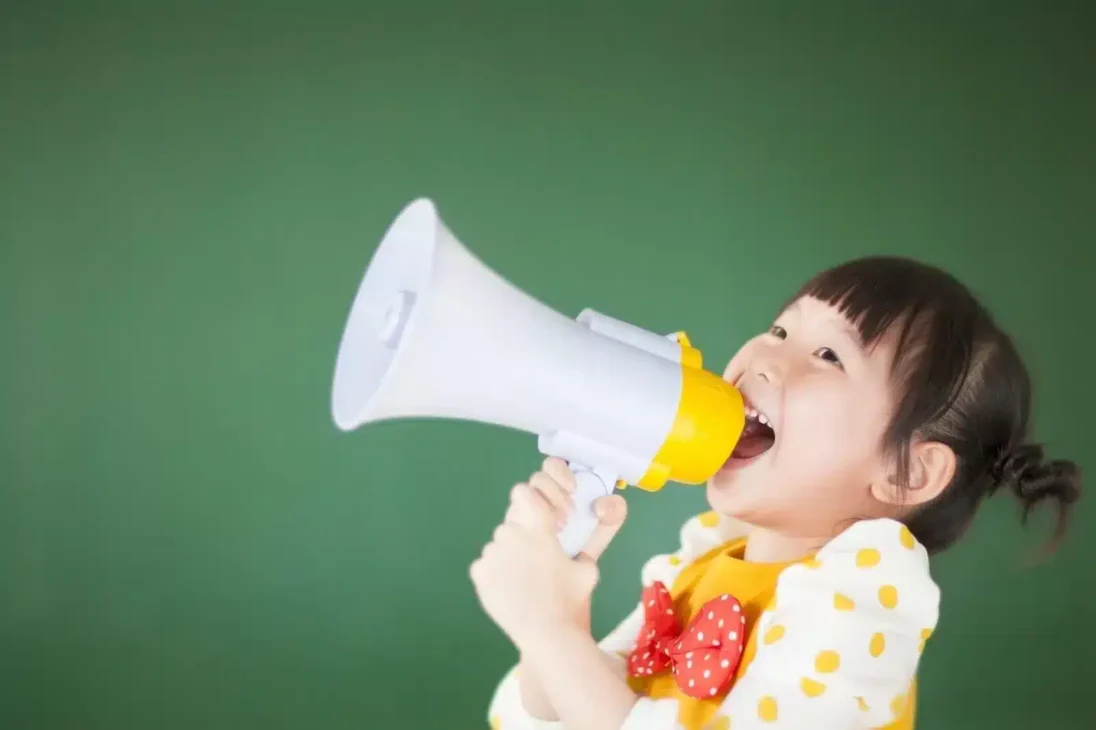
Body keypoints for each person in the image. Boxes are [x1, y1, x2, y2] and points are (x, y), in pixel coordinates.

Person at [469, 256, 1082, 730]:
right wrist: (560, 615)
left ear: (908, 474)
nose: (764, 354)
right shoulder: (703, 565)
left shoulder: (867, 597)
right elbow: (563, 714)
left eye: (826, 355)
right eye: (779, 328)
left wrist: (550, 628)